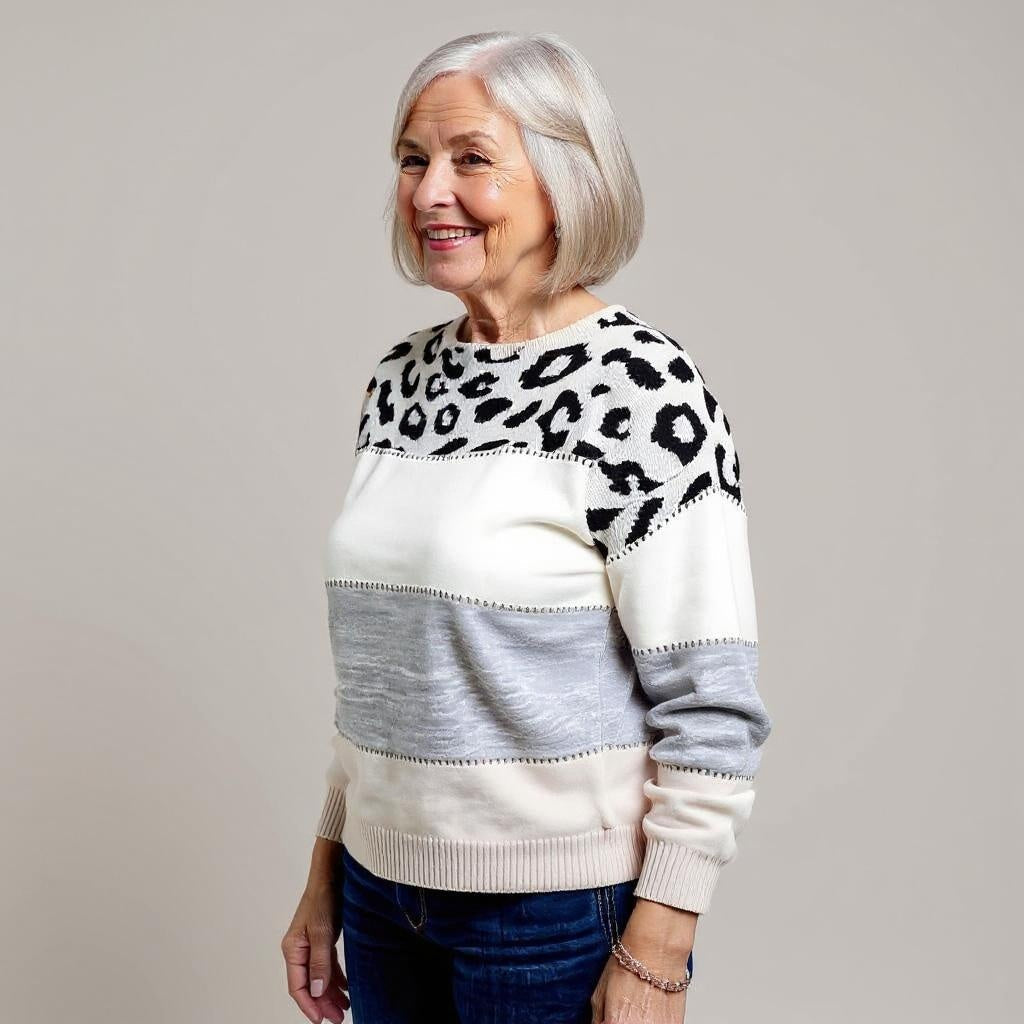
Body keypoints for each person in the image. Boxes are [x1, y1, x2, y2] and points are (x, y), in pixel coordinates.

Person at [281, 29, 773, 1024]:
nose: (429, 192)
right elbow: (384, 682)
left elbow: (712, 705)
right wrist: (325, 871)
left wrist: (661, 944)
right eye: (412, 159)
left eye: (470, 158)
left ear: (565, 178)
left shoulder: (639, 390)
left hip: (549, 914)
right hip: (380, 899)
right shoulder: (402, 379)